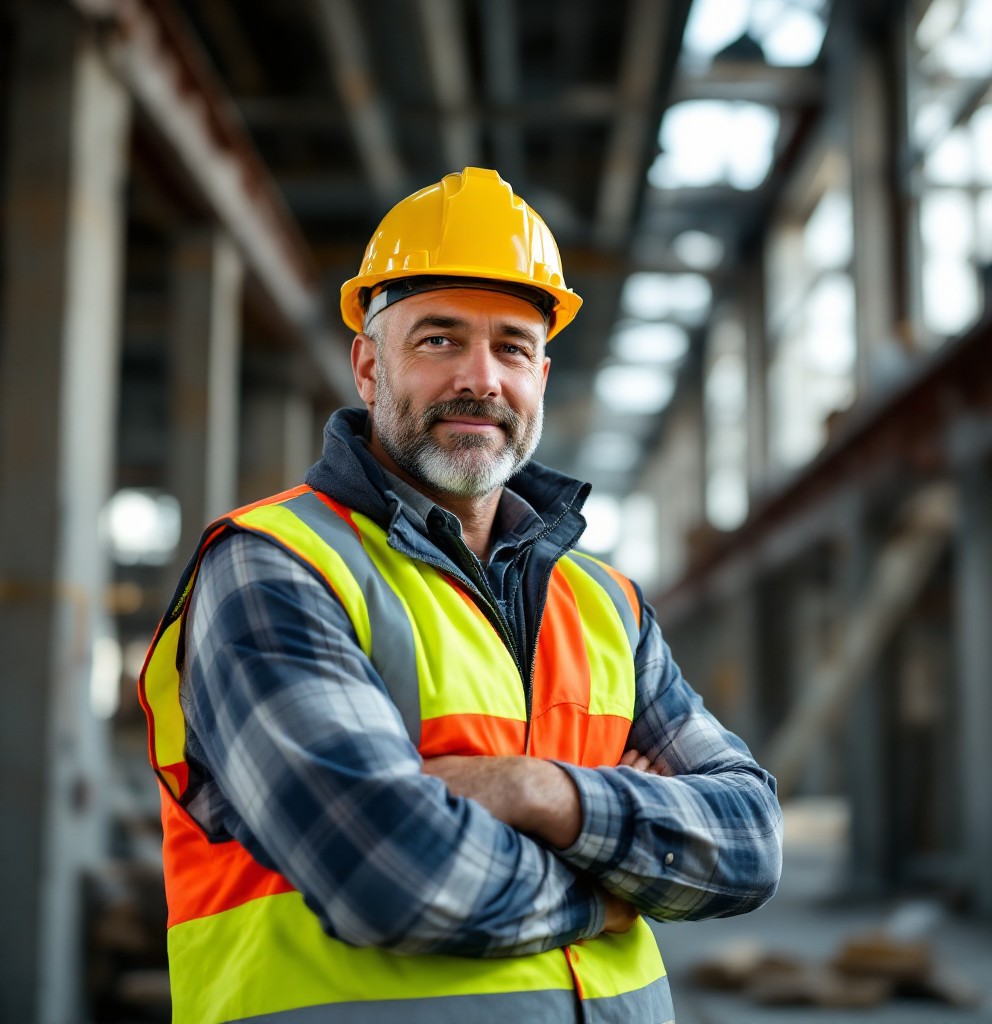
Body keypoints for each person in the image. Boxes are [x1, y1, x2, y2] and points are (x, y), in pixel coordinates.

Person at [140, 167, 783, 1024]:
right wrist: (611, 888)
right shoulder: (275, 568)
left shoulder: (606, 604)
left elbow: (749, 840)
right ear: (369, 366)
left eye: (512, 347)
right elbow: (386, 874)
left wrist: (538, 793)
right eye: (439, 340)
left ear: (541, 375)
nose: (480, 379)